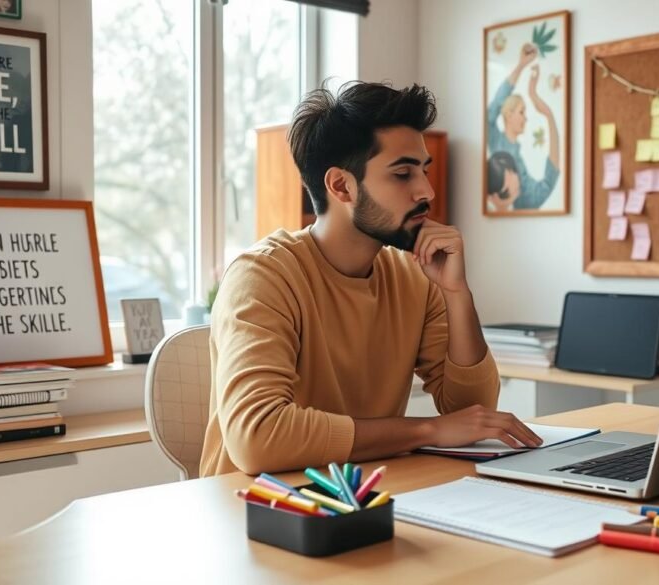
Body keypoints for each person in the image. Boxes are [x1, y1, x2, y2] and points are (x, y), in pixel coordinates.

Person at [200, 81, 542, 476]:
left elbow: (472, 414)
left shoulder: (414, 277)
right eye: (402, 174)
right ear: (341, 186)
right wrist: (428, 429)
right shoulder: (263, 277)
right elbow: (257, 439)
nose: (426, 191)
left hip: (363, 496)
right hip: (254, 510)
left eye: (423, 171)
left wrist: (457, 294)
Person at [486, 43, 560, 211]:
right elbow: (492, 110)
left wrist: (549, 116)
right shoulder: (495, 139)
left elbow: (546, 186)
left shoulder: (519, 165)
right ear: (508, 114)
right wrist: (521, 65)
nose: (526, 118)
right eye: (522, 112)